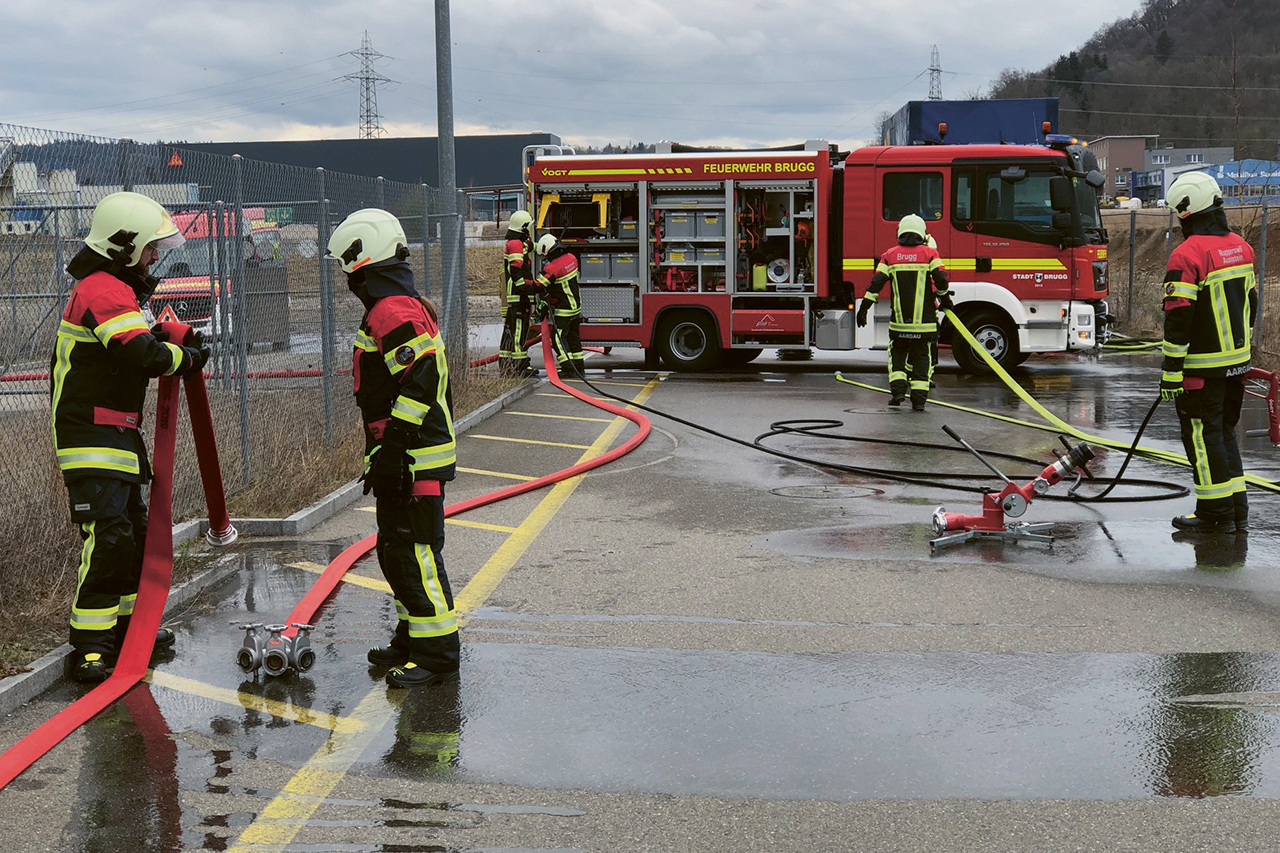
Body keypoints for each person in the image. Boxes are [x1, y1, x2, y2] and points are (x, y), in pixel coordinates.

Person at [52, 191, 209, 683]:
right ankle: (91, 646)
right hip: (91, 436)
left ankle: (125, 632)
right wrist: (184, 358)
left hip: (115, 435)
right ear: (124, 246)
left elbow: (139, 341)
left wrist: (169, 337)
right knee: (109, 538)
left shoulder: (113, 289)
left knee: (132, 537)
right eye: (149, 248)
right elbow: (140, 354)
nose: (156, 257)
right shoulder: (102, 289)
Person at [327, 208, 460, 687]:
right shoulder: (393, 303)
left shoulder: (392, 308)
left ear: (365, 257)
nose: (347, 276)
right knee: (396, 550)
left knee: (415, 553)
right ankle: (412, 638)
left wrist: (394, 450)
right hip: (404, 456)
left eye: (348, 265)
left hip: (412, 457)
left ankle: (437, 653)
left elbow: (421, 380)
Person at [1159, 172, 1256, 534]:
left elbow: (1179, 318)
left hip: (1201, 369)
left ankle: (1214, 514)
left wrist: (1171, 371)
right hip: (1235, 365)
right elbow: (1251, 303)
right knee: (1224, 434)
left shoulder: (1187, 255)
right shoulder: (1241, 247)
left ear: (1186, 209)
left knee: (1202, 437)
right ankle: (1235, 509)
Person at [856, 214, 952, 411]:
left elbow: (876, 284)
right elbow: (941, 279)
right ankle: (918, 401)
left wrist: (864, 308)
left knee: (897, 355)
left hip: (899, 323)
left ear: (900, 231)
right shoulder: (930, 254)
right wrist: (945, 299)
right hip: (924, 323)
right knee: (921, 358)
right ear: (922, 232)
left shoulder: (889, 255)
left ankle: (898, 393)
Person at [534, 234, 585, 378]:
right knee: (573, 338)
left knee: (557, 339)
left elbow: (539, 285)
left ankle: (568, 368)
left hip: (565, 310)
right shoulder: (571, 258)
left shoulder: (553, 267)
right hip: (576, 307)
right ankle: (579, 368)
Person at [498, 210, 540, 378]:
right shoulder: (515, 244)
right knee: (518, 333)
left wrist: (544, 245)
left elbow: (530, 246)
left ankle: (507, 366)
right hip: (518, 295)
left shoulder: (516, 242)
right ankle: (520, 366)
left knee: (511, 331)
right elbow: (516, 270)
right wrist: (526, 288)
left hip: (516, 295)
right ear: (523, 227)